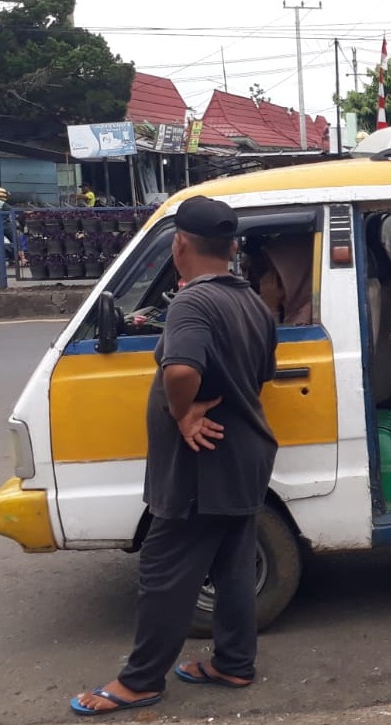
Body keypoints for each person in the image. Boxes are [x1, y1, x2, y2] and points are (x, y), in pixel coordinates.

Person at [70, 196, 278, 717]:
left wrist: (183, 415)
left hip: (202, 463)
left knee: (165, 570)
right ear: (231, 249)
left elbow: (181, 369)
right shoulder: (252, 300)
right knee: (231, 566)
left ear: (179, 244)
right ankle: (234, 662)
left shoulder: (191, 303)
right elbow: (262, 373)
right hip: (246, 453)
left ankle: (140, 681)